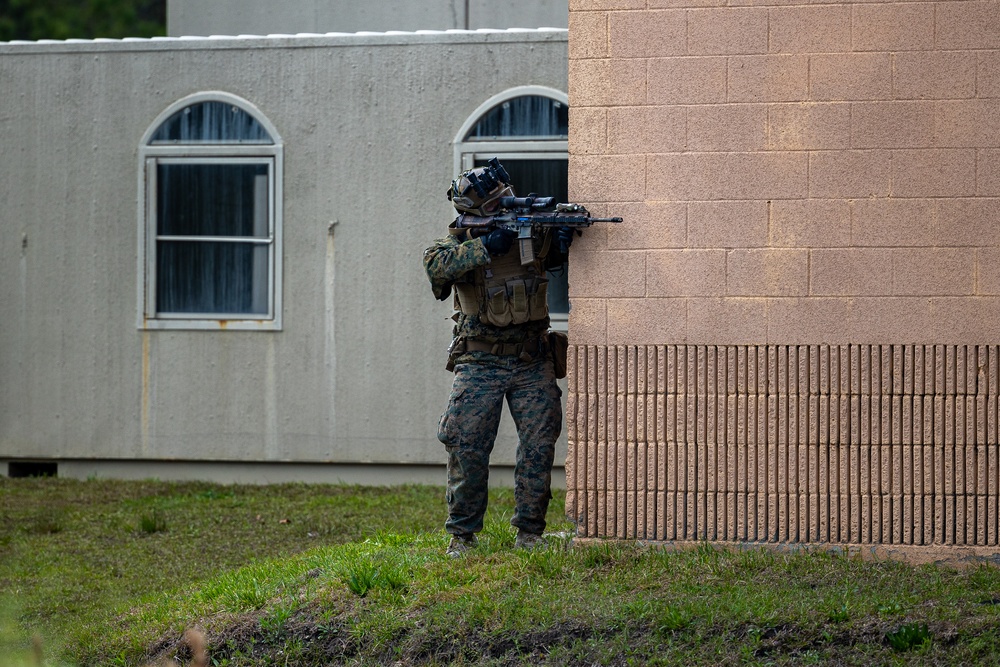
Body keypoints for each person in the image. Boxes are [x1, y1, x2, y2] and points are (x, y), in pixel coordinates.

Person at [423, 158, 574, 557]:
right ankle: (463, 535)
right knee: (466, 443)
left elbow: (554, 256)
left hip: (531, 357)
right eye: (495, 206)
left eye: (506, 199)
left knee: (540, 444)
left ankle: (530, 533)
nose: (506, 208)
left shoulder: (530, 232)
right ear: (474, 214)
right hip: (480, 361)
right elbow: (436, 267)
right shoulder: (453, 246)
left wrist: (560, 241)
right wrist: (484, 247)